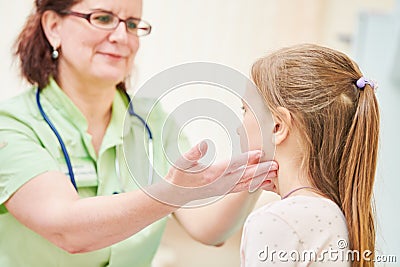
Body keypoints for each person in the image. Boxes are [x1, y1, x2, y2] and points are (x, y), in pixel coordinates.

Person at [0, 0, 278, 266]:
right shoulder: (12, 125)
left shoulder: (153, 122)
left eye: (132, 24)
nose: (123, 36)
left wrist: (259, 152)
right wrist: (169, 193)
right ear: (53, 26)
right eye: (103, 18)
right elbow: (67, 231)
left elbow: (208, 227)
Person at [237, 44, 379, 266]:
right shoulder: (336, 217)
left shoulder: (276, 222)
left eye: (245, 110)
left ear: (277, 126)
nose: (239, 127)